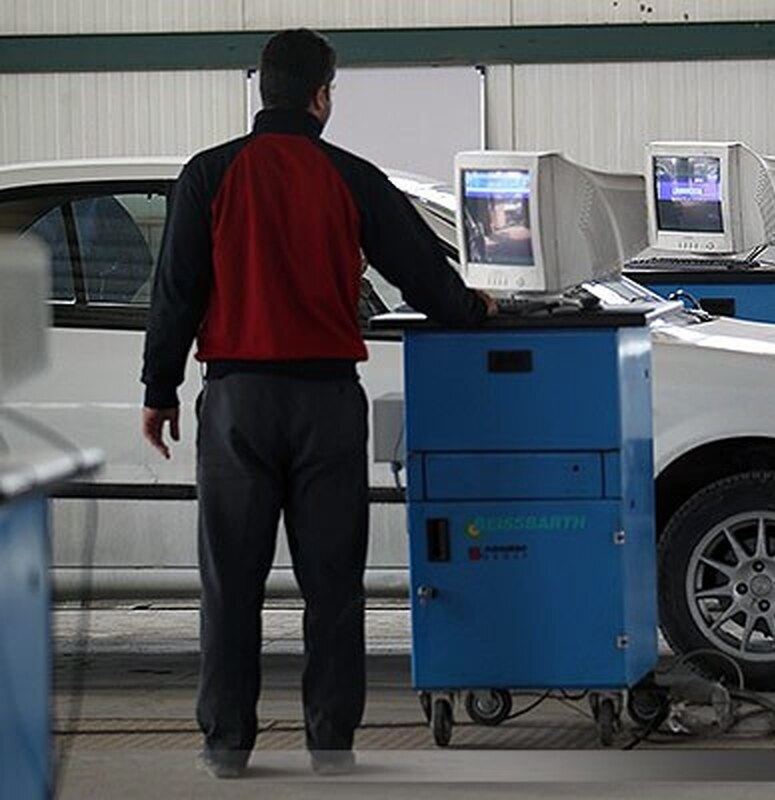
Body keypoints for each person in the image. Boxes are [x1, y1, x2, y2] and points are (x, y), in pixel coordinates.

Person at [139, 28, 494, 779]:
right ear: (321, 95)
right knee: (332, 587)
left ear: (263, 89)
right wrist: (476, 310)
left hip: (236, 404)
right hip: (327, 406)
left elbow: (176, 293)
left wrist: (159, 389)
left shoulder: (209, 174)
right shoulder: (353, 177)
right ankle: (331, 743)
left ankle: (227, 747)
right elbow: (422, 274)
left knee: (229, 587)